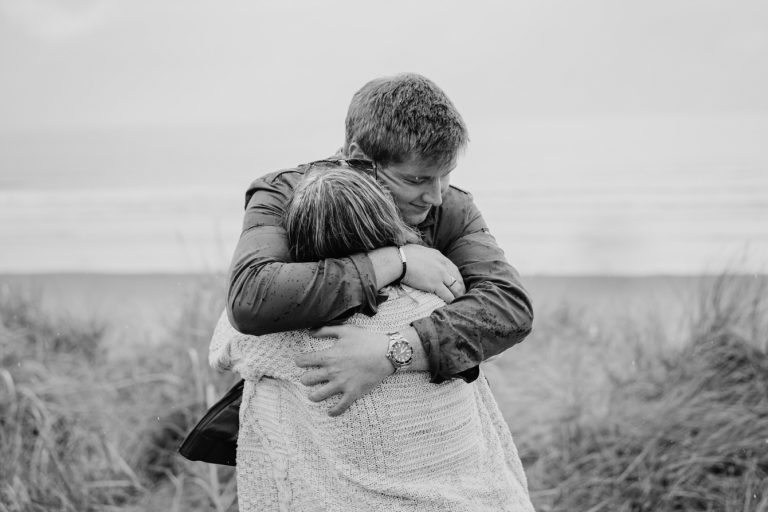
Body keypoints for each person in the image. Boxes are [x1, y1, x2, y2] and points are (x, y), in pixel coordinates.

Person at [210, 167, 536, 511]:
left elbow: (224, 349)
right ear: (389, 222)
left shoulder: (279, 341)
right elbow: (490, 346)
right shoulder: (437, 305)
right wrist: (402, 262)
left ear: (298, 240)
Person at [226, 73, 534, 417]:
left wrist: (394, 351)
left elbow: (509, 307)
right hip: (296, 421)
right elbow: (251, 298)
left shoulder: (452, 206)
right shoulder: (284, 193)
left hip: (426, 424)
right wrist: (395, 262)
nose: (435, 197)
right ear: (359, 157)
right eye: (416, 179)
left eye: (445, 174)